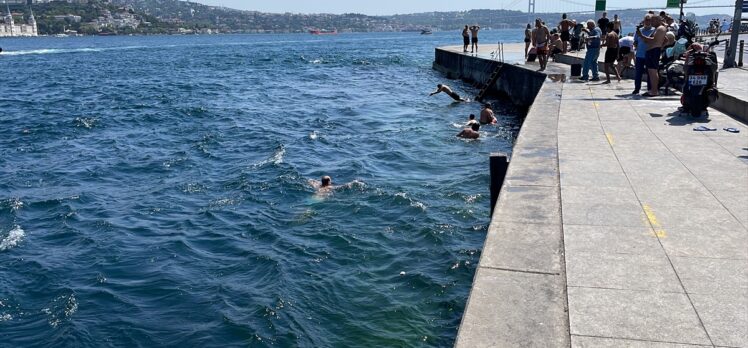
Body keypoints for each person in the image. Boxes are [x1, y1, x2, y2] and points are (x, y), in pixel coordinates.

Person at [637, 14, 667, 96]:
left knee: (653, 71)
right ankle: (653, 90)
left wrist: (641, 35)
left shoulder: (660, 28)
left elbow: (654, 40)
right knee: (650, 71)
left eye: (653, 20)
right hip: (652, 50)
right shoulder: (656, 29)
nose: (651, 22)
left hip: (653, 51)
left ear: (657, 20)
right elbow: (665, 40)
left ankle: (654, 91)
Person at [632, 15, 654, 95]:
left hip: (649, 54)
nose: (647, 21)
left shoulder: (654, 30)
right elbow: (635, 41)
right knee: (638, 73)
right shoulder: (639, 31)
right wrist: (636, 46)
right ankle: (637, 89)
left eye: (649, 20)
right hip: (639, 55)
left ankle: (649, 88)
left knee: (649, 73)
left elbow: (650, 41)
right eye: (646, 20)